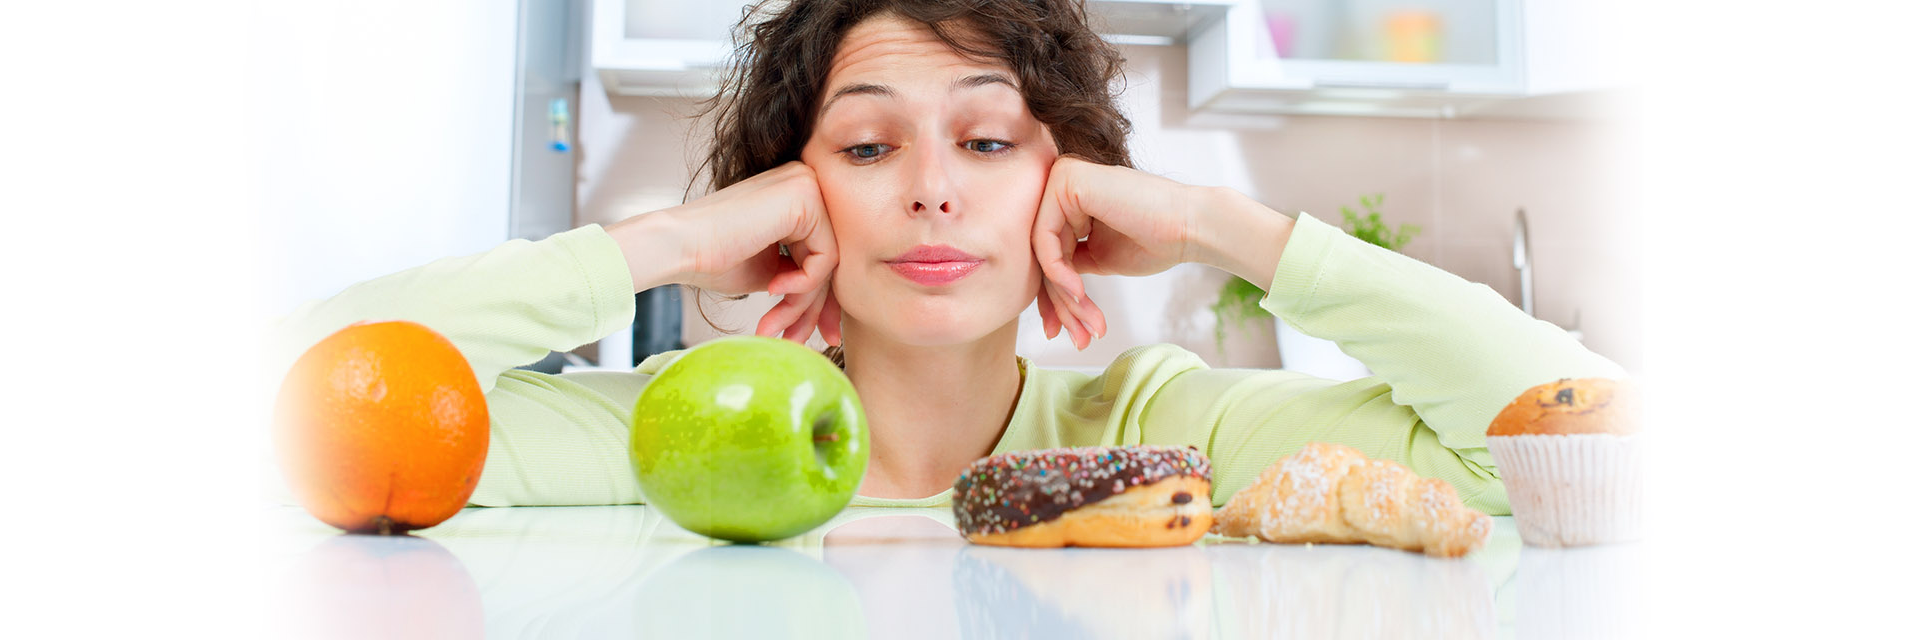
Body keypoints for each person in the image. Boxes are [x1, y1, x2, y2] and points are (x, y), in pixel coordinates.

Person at [270, 0, 1622, 512]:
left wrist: (1219, 224)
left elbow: (1579, 452)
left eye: (988, 145)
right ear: (787, 206)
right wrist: (666, 245)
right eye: (864, 150)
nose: (929, 193)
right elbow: (294, 401)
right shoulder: (671, 447)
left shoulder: (1161, 434)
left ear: (1070, 202)